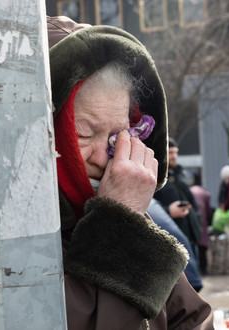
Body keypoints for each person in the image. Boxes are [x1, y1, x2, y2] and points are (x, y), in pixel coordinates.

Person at [47, 16, 213, 329]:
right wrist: (116, 230)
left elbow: (194, 318)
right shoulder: (8, 237)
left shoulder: (126, 214)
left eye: (116, 136)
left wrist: (121, 222)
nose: (103, 157)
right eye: (82, 134)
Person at [153, 138, 203, 264]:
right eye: (170, 153)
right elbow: (149, 207)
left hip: (189, 238)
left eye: (176, 152)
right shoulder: (154, 178)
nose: (174, 156)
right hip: (169, 241)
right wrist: (168, 211)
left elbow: (192, 202)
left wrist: (196, 222)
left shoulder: (180, 175)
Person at [147, 198, 203, 292]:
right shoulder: (151, 203)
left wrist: (169, 210)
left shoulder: (147, 205)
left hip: (180, 274)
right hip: (185, 269)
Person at [189, 181, 211, 275]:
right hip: (201, 219)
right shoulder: (205, 193)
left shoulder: (190, 190)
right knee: (202, 245)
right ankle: (204, 270)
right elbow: (208, 210)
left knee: (192, 245)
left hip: (191, 218)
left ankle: (194, 270)